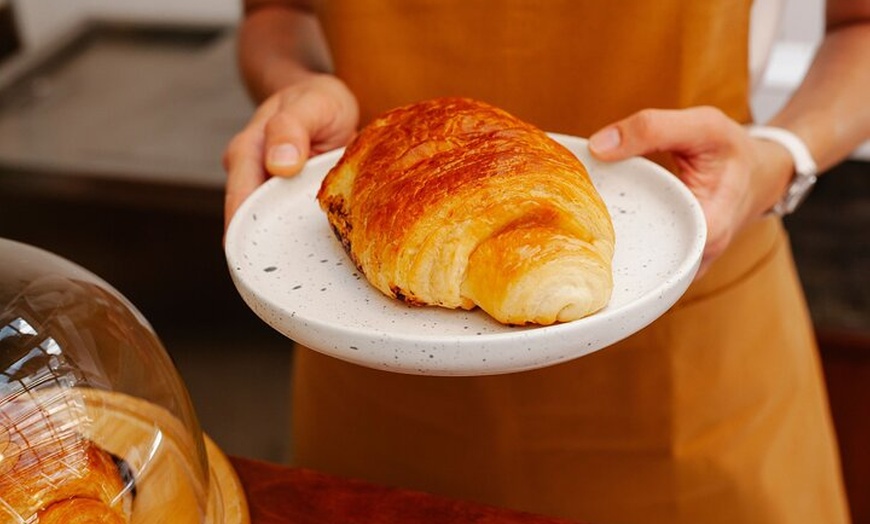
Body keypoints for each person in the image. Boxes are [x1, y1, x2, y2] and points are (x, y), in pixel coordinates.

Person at [223, 1, 870, 522]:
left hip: (695, 346)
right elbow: (275, 14)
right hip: (371, 346)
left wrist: (781, 155)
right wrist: (296, 87)